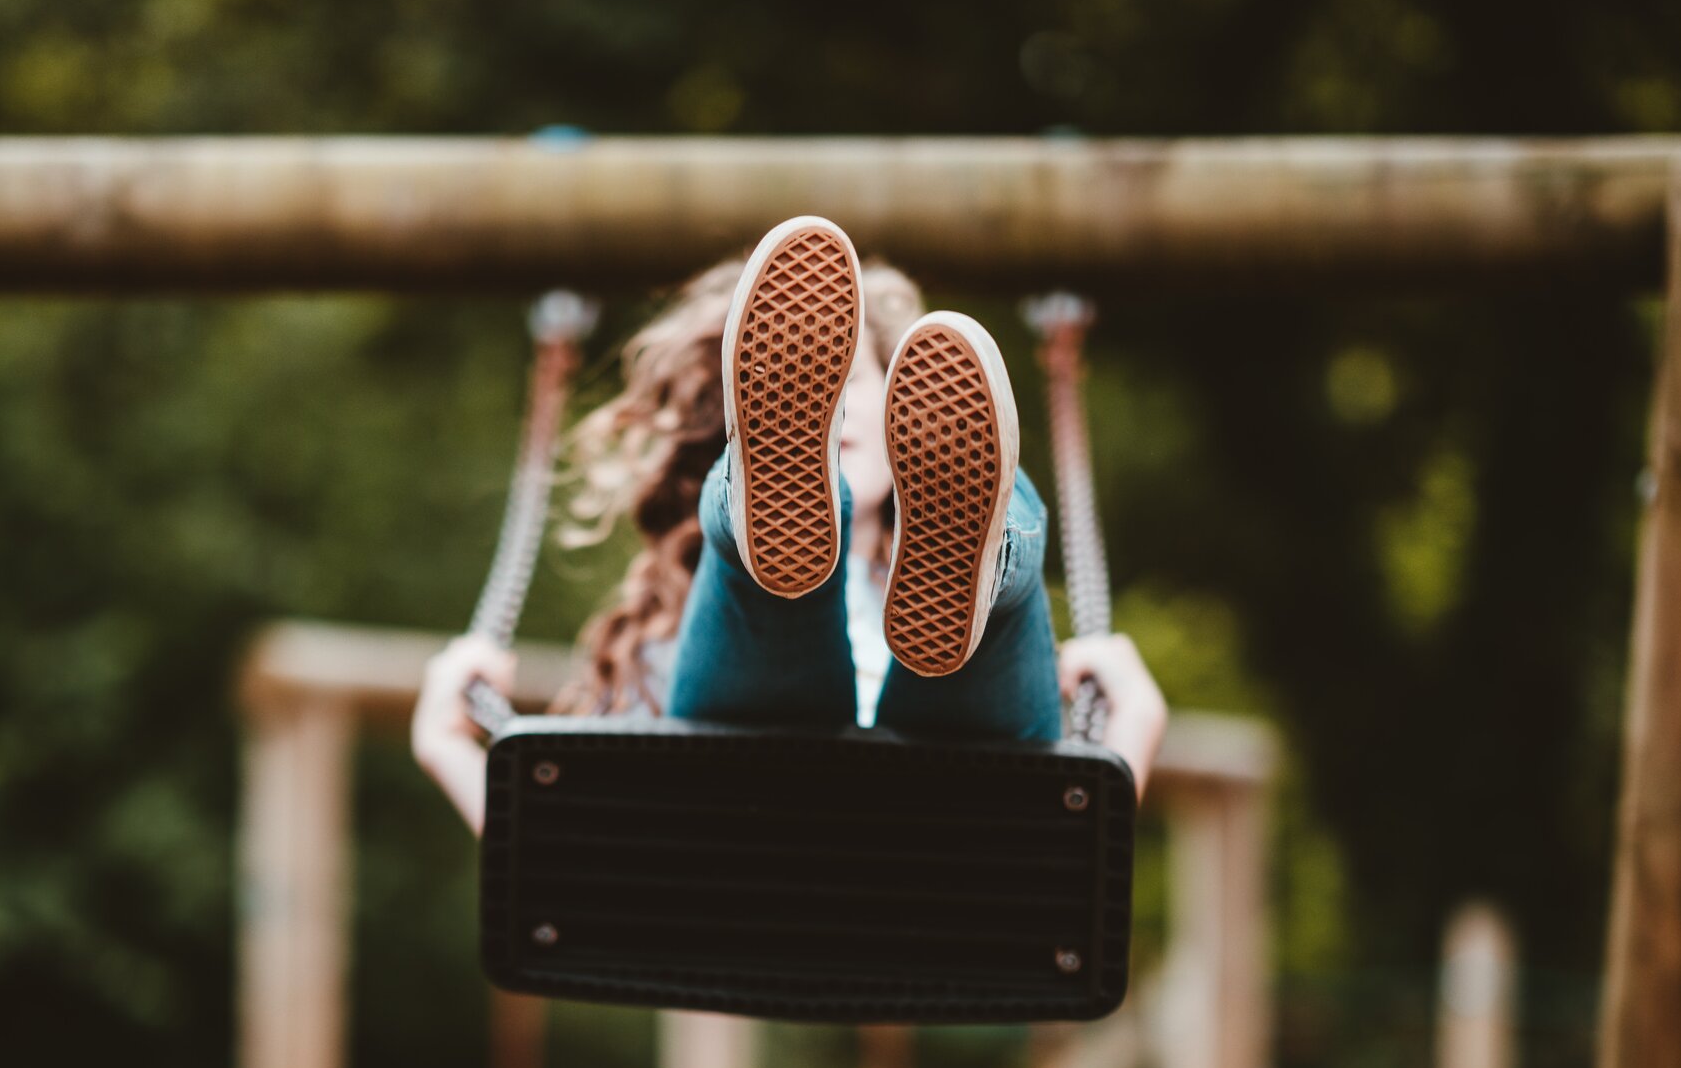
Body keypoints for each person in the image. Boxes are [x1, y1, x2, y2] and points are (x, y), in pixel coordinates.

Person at [413, 216, 1166, 835]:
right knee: (757, 599)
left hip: (908, 827)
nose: (833, 407)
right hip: (936, 863)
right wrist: (1131, 729)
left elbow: (566, 877)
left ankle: (981, 556)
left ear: (911, 402)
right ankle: (762, 528)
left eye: (849, 381)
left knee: (972, 634)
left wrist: (450, 745)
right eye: (810, 390)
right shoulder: (659, 642)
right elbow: (1065, 872)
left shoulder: (660, 646)